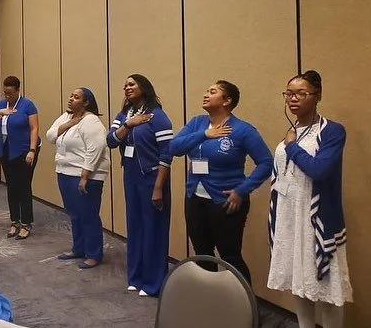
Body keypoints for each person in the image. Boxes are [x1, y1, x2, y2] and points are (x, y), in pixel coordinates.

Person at [268, 71, 352, 328]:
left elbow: (319, 170)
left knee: (327, 289)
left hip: (318, 221)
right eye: (289, 93)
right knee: (300, 286)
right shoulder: (292, 133)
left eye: (301, 93)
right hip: (291, 219)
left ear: (317, 95)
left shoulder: (332, 131)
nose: (293, 98)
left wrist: (291, 146)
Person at [170, 80, 272, 284]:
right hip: (195, 198)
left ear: (227, 101)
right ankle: (211, 302)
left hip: (225, 200)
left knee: (230, 256)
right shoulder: (197, 123)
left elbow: (266, 162)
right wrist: (204, 134)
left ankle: (243, 309)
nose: (206, 94)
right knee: (202, 253)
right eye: (207, 90)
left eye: (213, 92)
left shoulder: (242, 130)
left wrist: (242, 190)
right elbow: (174, 148)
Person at [107, 74, 173, 296]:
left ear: (144, 87)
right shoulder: (125, 114)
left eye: (131, 84)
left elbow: (167, 153)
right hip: (131, 176)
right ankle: (136, 277)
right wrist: (128, 124)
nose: (126, 87)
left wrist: (157, 187)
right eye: (124, 84)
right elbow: (111, 141)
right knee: (135, 226)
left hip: (153, 177)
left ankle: (153, 282)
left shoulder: (158, 116)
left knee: (153, 228)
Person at [46, 87, 109, 269]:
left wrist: (85, 175)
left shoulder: (91, 121)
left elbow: (95, 149)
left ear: (86, 102)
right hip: (65, 172)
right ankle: (78, 248)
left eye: (76, 97)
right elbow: (50, 135)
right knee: (74, 214)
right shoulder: (66, 116)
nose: (71, 99)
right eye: (71, 96)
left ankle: (94, 254)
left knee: (88, 215)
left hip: (86, 176)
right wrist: (70, 123)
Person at [0, 75, 40, 240]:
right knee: (11, 186)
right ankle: (14, 220)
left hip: (24, 150)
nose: (7, 96)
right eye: (5, 93)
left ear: (18, 90)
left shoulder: (27, 105)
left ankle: (26, 223)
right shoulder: (1, 105)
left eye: (10, 93)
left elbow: (34, 128)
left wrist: (32, 150)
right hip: (7, 150)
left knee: (23, 186)